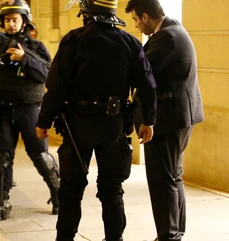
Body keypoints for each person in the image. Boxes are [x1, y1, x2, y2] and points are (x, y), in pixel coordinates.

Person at [35, 0, 158, 240]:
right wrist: (148, 121)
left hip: (77, 125)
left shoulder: (74, 39)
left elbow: (56, 87)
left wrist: (44, 121)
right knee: (112, 189)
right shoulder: (130, 42)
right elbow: (148, 85)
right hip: (113, 125)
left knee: (70, 190)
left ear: (87, 12)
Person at [125, 1, 204, 240]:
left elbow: (142, 73)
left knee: (162, 180)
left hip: (169, 118)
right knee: (172, 176)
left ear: (146, 16)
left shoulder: (167, 37)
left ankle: (169, 235)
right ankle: (174, 233)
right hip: (177, 116)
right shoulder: (171, 30)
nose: (136, 24)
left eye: (137, 20)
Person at [0, 0, 60, 222]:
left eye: (15, 19)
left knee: (41, 156)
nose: (10, 24)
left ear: (24, 21)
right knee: (0, 157)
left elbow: (48, 74)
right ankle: (1, 203)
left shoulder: (37, 47)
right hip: (2, 109)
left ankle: (58, 195)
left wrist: (25, 59)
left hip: (29, 108)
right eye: (7, 20)